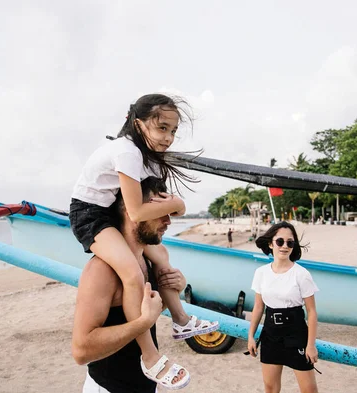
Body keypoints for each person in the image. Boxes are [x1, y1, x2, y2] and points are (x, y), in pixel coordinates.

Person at [70, 94, 218, 387]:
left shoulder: (147, 161)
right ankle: (150, 357)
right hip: (89, 215)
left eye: (173, 131)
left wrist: (170, 291)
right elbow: (138, 210)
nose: (169, 137)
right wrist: (179, 204)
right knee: (132, 274)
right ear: (138, 124)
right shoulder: (127, 153)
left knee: (161, 257)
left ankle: (181, 319)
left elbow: (147, 204)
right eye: (162, 128)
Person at [73, 177, 199, 392]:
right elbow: (81, 350)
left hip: (148, 384)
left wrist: (175, 290)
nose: (168, 221)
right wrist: (142, 323)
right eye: (161, 212)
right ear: (133, 212)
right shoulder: (102, 270)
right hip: (109, 387)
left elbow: (144, 311)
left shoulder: (149, 258)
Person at [247, 221, 320, 393]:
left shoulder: (301, 274)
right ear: (271, 243)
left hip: (296, 334)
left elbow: (312, 312)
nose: (284, 246)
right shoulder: (261, 273)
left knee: (309, 390)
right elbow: (258, 308)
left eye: (290, 242)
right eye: (280, 241)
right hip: (271, 335)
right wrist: (250, 336)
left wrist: (311, 345)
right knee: (271, 388)